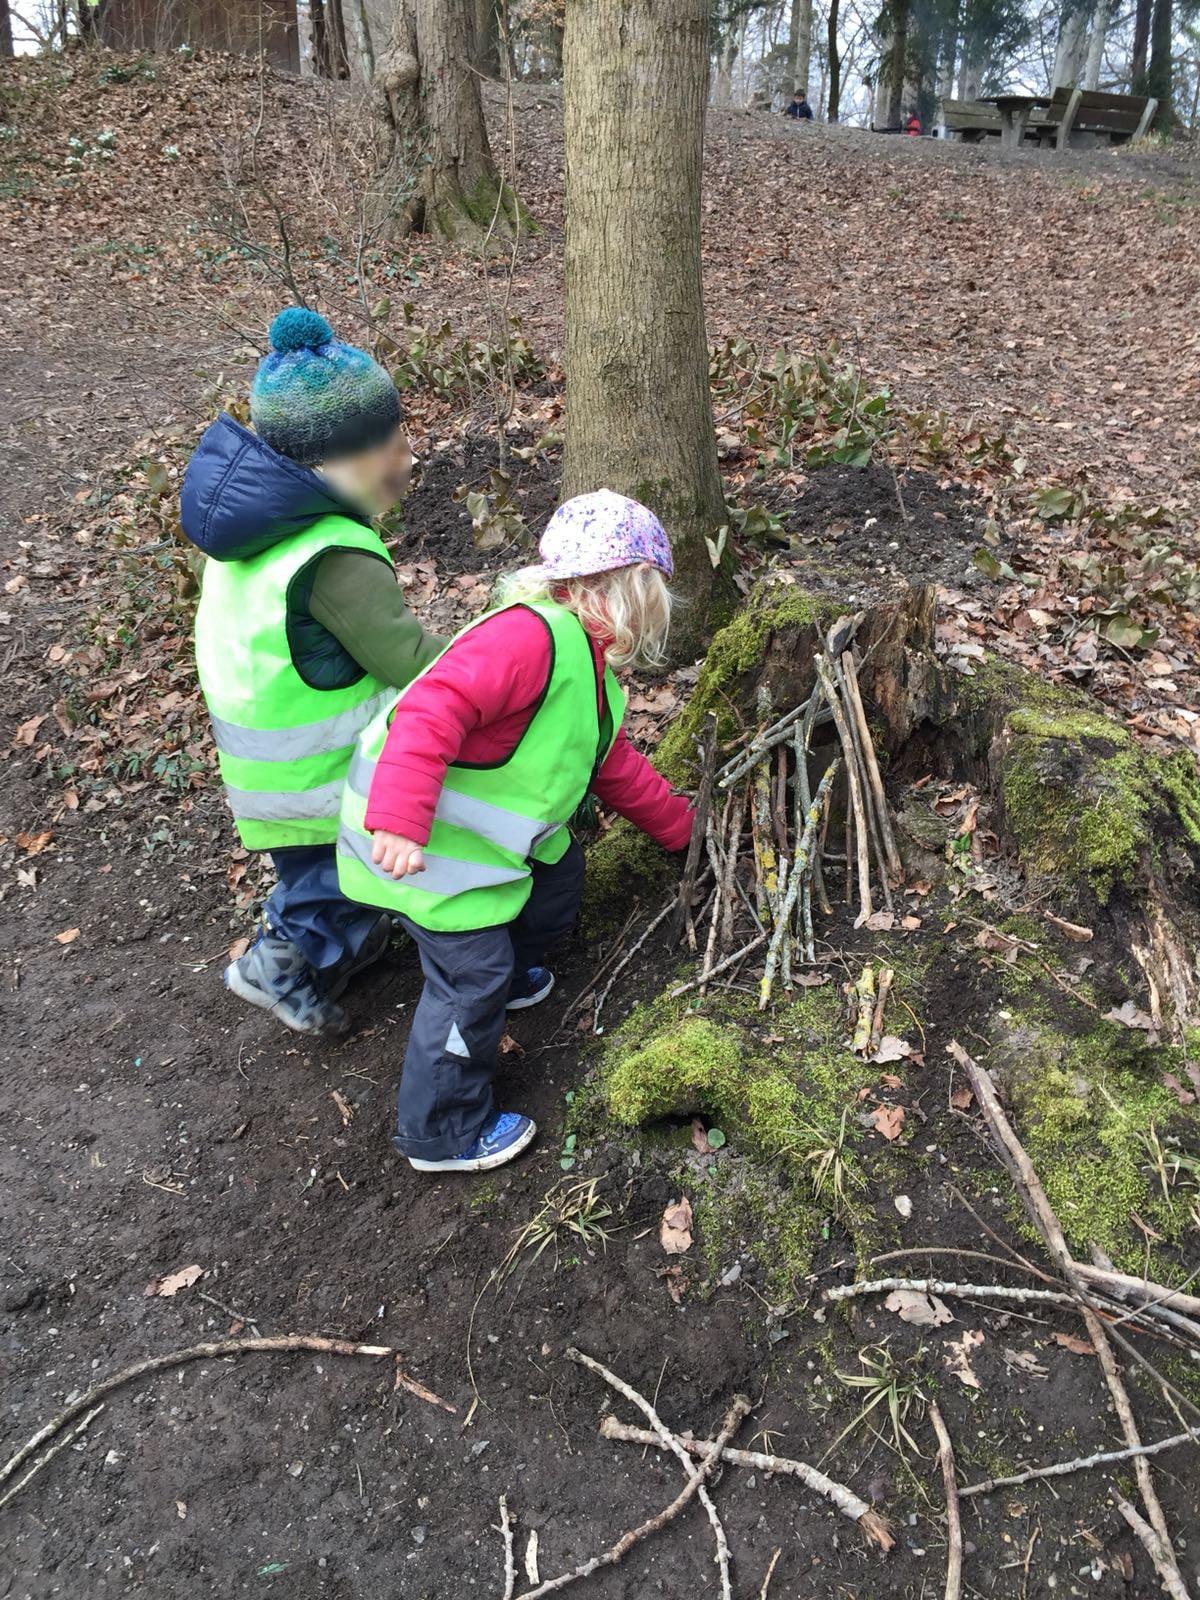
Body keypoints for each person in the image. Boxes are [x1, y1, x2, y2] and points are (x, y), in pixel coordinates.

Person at [336, 491, 694, 1174]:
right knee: (471, 983)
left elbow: (613, 766)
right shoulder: (527, 637)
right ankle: (442, 1130)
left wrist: (683, 832)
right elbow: (432, 707)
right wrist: (402, 817)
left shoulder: (587, 668)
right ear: (615, 589)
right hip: (423, 846)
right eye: (653, 597)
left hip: (474, 844)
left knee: (561, 876)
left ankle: (516, 971)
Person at [181, 307, 446, 1038]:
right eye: (392, 445)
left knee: (315, 876)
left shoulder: (255, 530)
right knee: (331, 881)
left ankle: (339, 949)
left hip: (263, 756)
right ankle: (274, 965)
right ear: (353, 456)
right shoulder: (333, 554)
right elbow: (406, 659)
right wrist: (479, 665)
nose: (403, 459)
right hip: (320, 768)